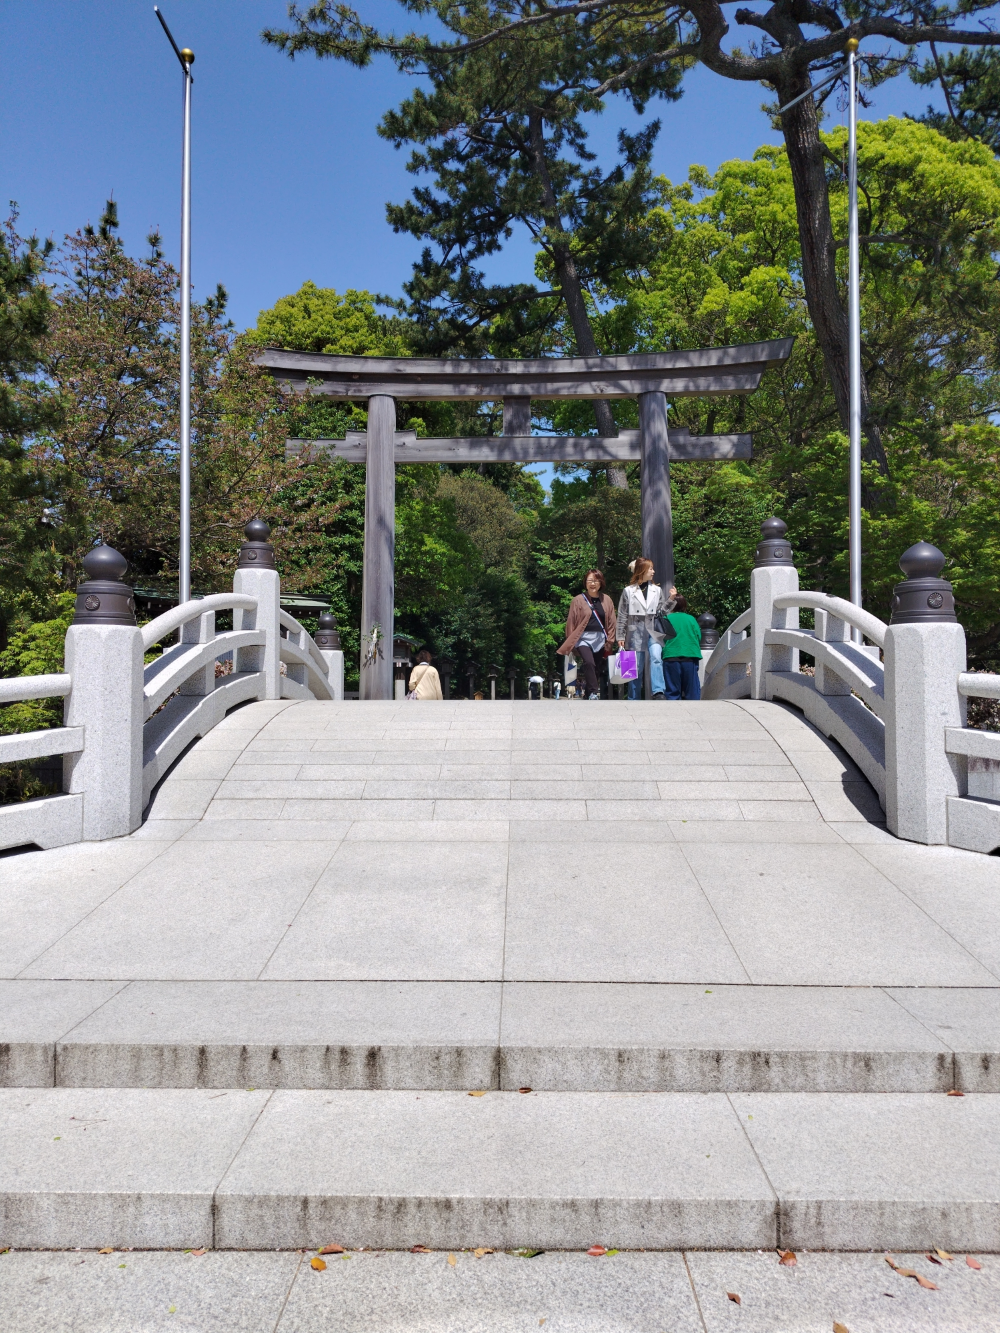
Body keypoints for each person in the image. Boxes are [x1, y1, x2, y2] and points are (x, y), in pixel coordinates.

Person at [616, 558, 676, 701]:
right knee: (634, 668)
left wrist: (671, 599)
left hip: (653, 630)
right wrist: (620, 636)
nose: (653, 571)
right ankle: (633, 698)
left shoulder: (657, 590)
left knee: (656, 657)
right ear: (642, 570)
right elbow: (622, 614)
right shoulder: (628, 591)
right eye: (650, 569)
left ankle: (658, 691)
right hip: (634, 631)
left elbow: (662, 611)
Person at [556, 569, 617, 700]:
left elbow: (612, 621)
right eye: (589, 580)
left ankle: (588, 693)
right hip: (582, 638)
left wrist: (610, 640)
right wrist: (570, 642)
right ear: (585, 583)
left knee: (596, 666)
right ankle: (594, 692)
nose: (592, 583)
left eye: (595, 580)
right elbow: (571, 622)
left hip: (600, 638)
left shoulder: (607, 600)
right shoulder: (578, 600)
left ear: (601, 582)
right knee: (589, 663)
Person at [660, 594, 703, 700]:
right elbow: (698, 636)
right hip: (689, 656)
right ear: (684, 605)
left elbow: (661, 637)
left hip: (671, 656)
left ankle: (674, 714)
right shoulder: (691, 619)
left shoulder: (666, 618)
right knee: (692, 691)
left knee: (672, 691)